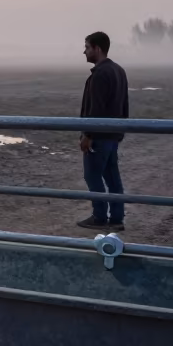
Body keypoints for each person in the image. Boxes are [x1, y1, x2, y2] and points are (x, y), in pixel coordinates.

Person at [77, 31, 129, 230]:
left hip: (99, 136)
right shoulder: (119, 70)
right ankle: (116, 218)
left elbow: (96, 109)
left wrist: (87, 134)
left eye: (87, 47)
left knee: (92, 175)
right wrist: (120, 131)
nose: (84, 52)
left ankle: (99, 216)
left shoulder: (100, 74)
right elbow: (124, 105)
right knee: (112, 177)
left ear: (97, 48)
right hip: (113, 134)